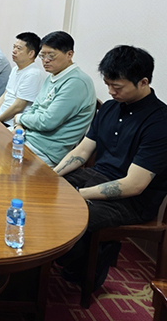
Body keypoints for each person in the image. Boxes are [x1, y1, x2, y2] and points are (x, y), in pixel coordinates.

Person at [54, 45, 167, 290]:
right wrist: (51, 176)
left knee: (68, 212)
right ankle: (62, 262)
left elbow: (134, 185)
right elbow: (82, 151)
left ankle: (87, 267)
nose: (110, 91)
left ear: (143, 82)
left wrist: (77, 194)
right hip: (95, 176)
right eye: (107, 84)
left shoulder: (159, 122)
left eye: (117, 86)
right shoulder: (109, 107)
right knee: (42, 193)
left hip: (132, 200)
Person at [13, 31, 96, 167]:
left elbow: (47, 122)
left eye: (51, 56)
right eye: (42, 56)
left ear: (69, 54)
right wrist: (20, 124)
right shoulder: (53, 76)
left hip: (45, 151)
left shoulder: (76, 82)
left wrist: (20, 118)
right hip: (28, 138)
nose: (45, 60)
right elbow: (35, 108)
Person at [0, 32, 46, 127]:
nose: (14, 51)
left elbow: (18, 106)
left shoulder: (33, 74)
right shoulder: (15, 69)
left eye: (19, 48)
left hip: (12, 123)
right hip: (0, 118)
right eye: (14, 47)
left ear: (31, 53)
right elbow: (5, 94)